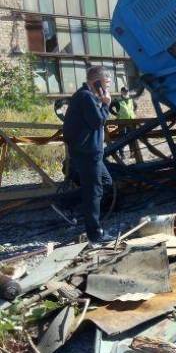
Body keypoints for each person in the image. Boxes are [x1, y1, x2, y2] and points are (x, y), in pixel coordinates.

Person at [61, 65, 113, 245]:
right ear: (96, 82)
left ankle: (64, 202)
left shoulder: (88, 96)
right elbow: (97, 121)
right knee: (93, 191)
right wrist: (106, 104)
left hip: (91, 152)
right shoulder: (85, 97)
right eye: (107, 82)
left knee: (105, 184)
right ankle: (95, 234)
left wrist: (102, 102)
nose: (108, 87)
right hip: (87, 152)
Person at [109, 87, 138, 159]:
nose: (126, 92)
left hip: (131, 121)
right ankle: (122, 154)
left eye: (127, 91)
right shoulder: (117, 100)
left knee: (131, 137)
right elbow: (110, 108)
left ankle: (132, 153)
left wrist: (133, 112)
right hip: (121, 121)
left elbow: (136, 106)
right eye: (124, 91)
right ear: (121, 92)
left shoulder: (131, 99)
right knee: (121, 138)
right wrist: (116, 114)